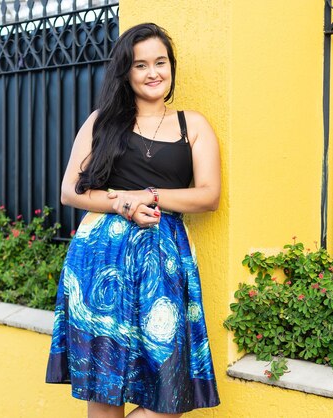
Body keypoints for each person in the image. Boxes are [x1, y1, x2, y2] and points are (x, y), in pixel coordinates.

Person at [45, 23, 221, 418]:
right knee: (106, 386)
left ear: (172, 67)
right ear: (127, 72)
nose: (153, 72)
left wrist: (151, 196)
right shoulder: (101, 122)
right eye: (141, 65)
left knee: (169, 392)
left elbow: (209, 195)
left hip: (165, 260)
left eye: (161, 62)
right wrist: (123, 204)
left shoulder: (192, 125)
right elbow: (70, 191)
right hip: (101, 260)